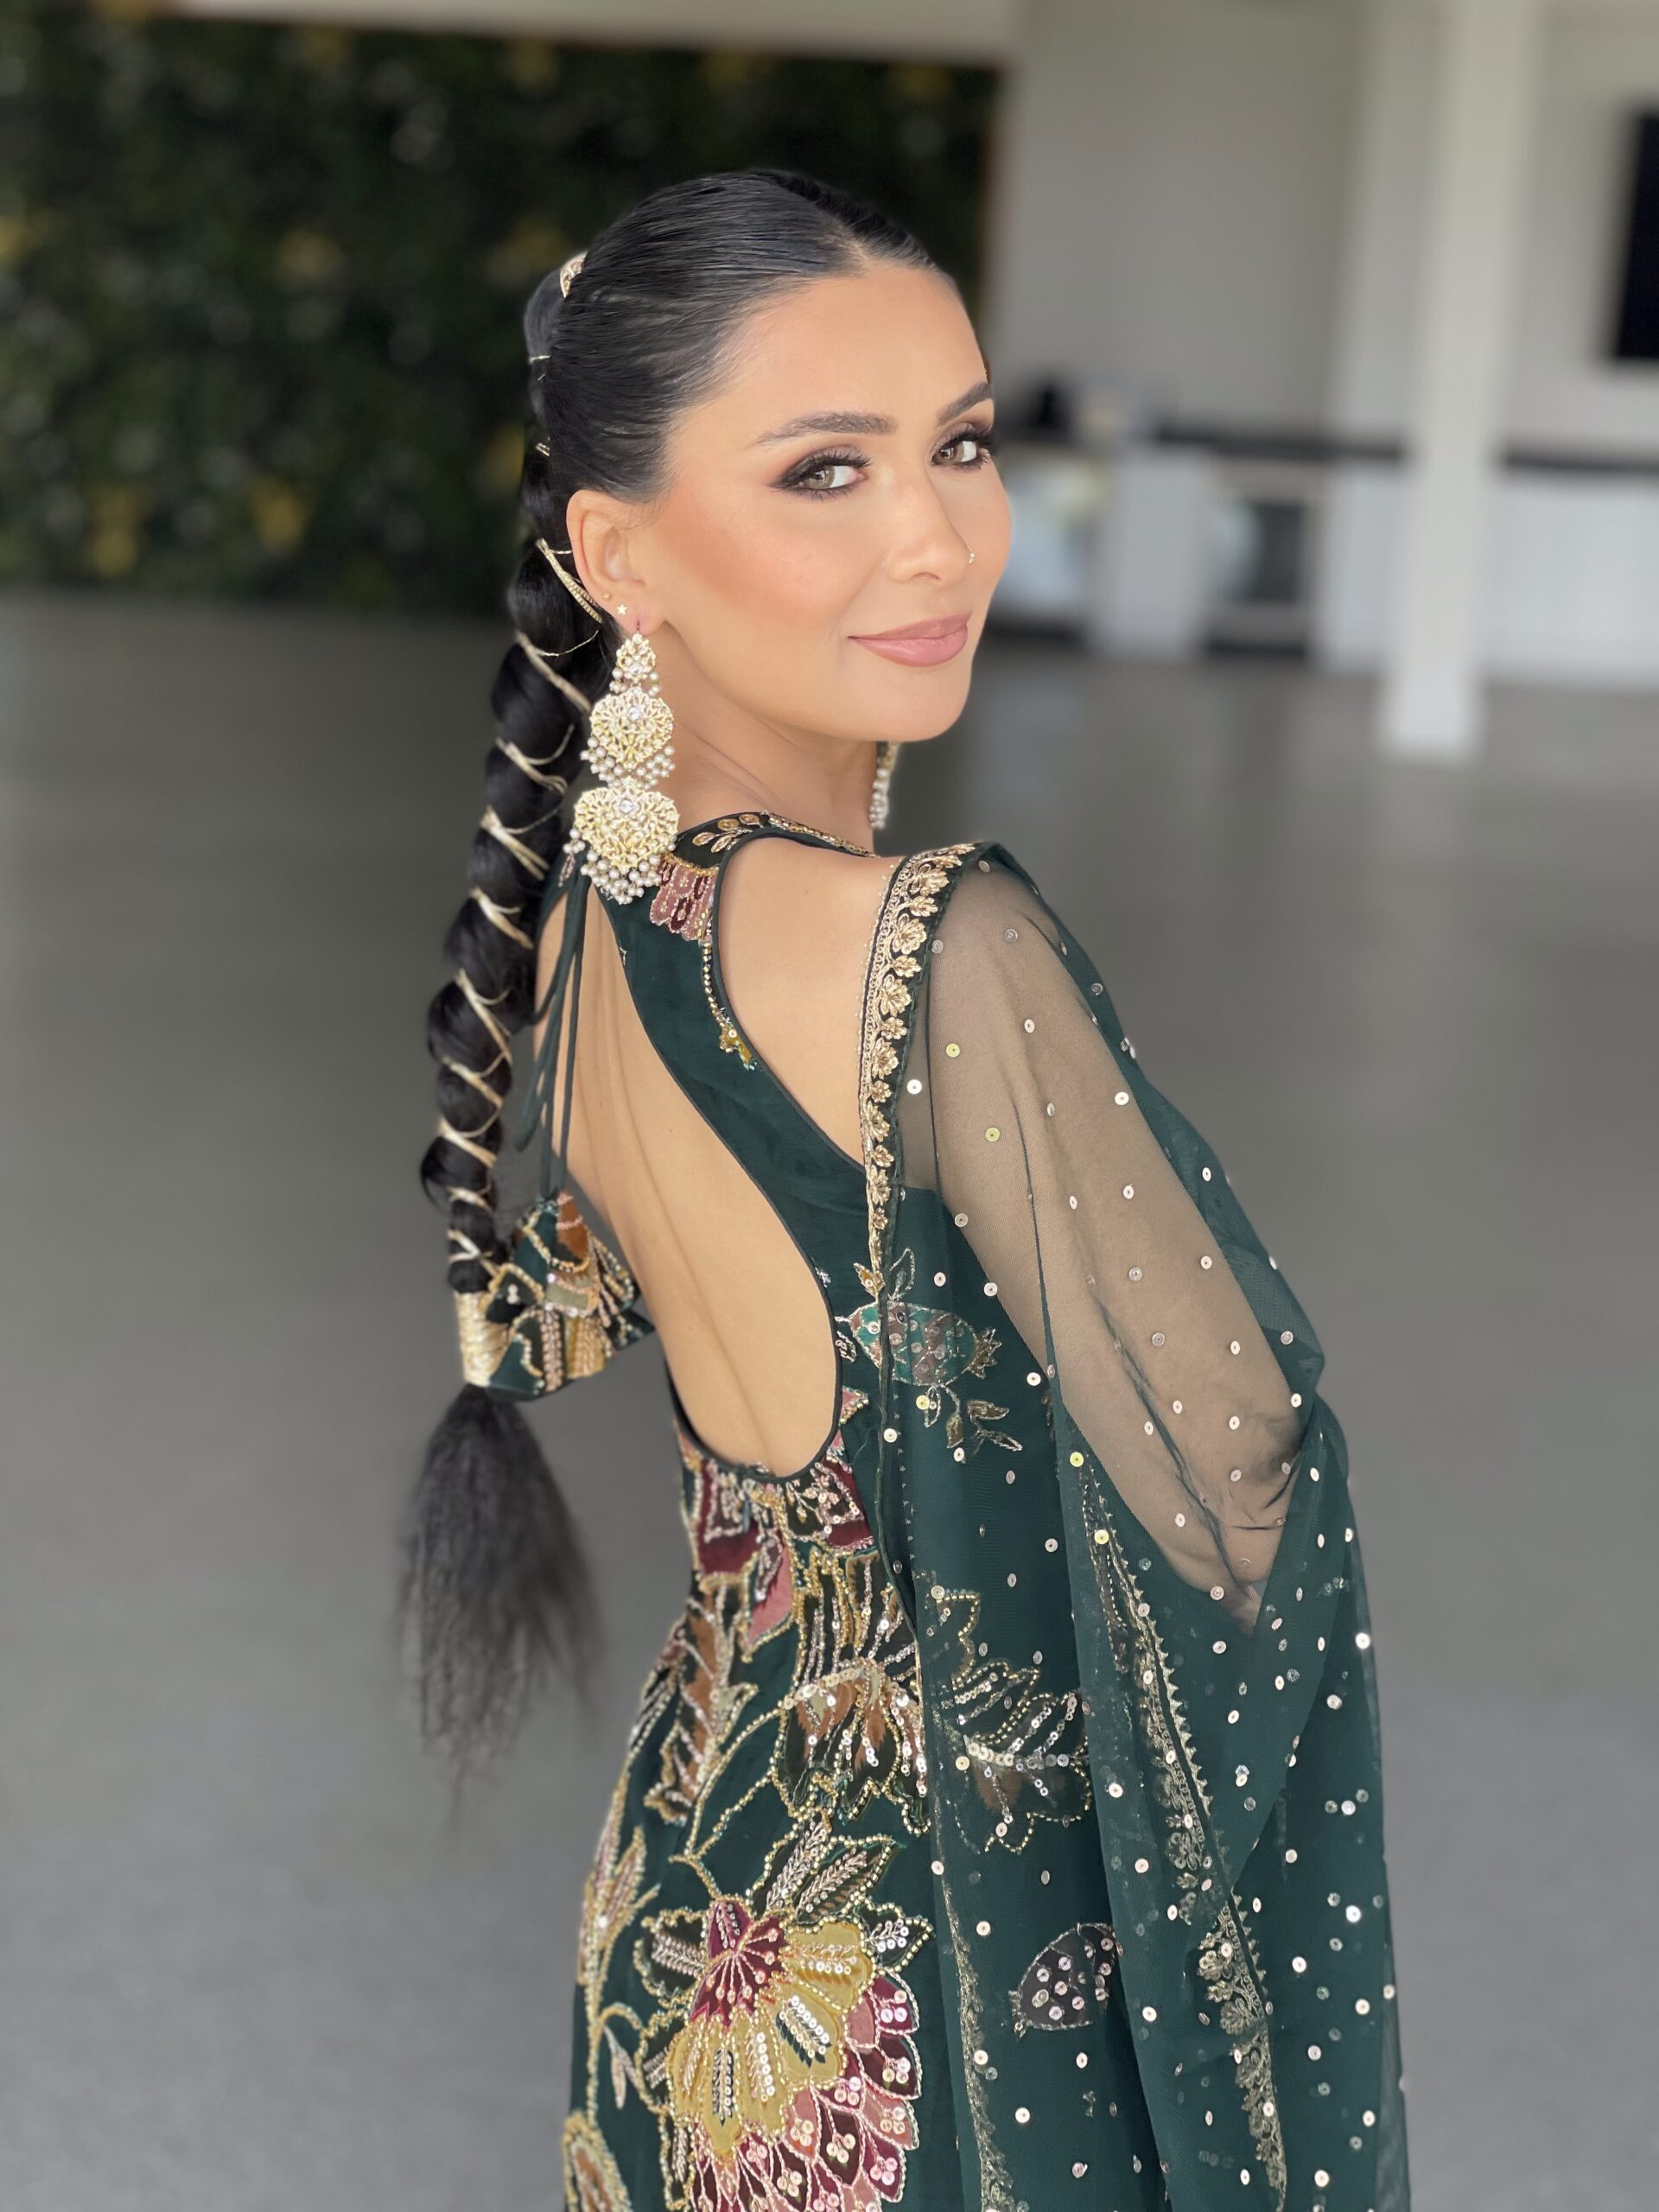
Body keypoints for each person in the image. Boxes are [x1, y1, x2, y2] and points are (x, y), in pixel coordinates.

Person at [403, 170, 1410, 2212]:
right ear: (617, 550)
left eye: (960, 442)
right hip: (948, 2004)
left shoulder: (583, 919)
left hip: (702, 1934)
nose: (938, 536)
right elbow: (1235, 1469)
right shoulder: (931, 949)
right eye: (825, 470)